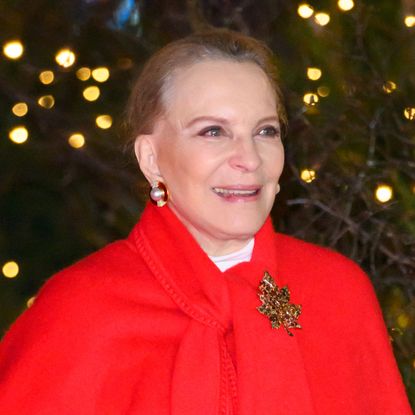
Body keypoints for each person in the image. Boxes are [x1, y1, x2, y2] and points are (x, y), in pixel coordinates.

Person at [0, 29, 412, 415]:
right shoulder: (82, 309)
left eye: (266, 131)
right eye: (213, 132)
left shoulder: (337, 292)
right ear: (151, 158)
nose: (249, 159)